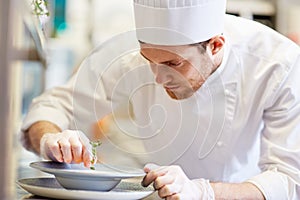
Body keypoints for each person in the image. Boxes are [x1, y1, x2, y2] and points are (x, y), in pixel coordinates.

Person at [20, 0, 300, 199]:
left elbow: (289, 181)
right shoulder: (132, 55)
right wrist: (51, 140)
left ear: (215, 46)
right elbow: (52, 107)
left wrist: (203, 193)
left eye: (174, 64)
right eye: (149, 61)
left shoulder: (278, 65)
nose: (158, 78)